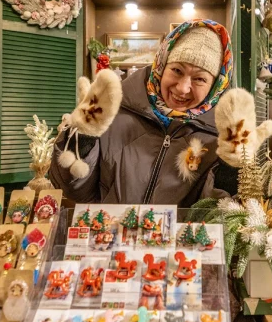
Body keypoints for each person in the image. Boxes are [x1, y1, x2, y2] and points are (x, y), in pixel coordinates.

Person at [50, 19, 236, 206]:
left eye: (199, 79)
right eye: (177, 70)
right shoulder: (112, 111)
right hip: (109, 225)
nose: (182, 88)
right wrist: (83, 137)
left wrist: (231, 167)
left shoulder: (223, 137)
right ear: (161, 66)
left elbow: (221, 213)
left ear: (215, 87)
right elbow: (74, 191)